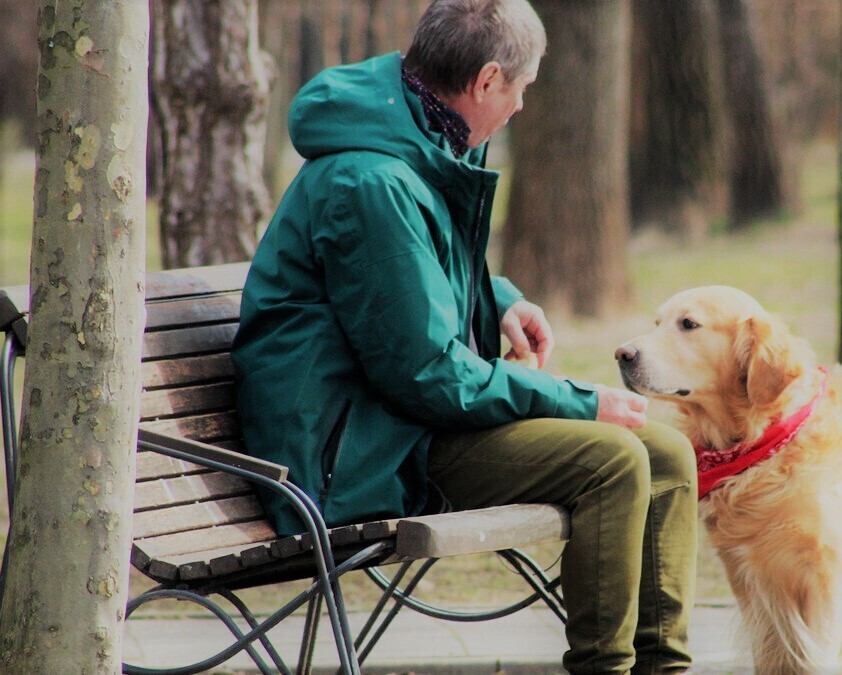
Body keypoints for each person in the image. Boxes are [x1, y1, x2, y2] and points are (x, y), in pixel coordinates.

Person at [230, 1, 697, 672]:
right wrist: (575, 399)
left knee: (669, 453)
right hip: (351, 454)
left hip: (394, 421)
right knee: (612, 459)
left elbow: (407, 282)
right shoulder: (371, 181)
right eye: (522, 88)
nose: (521, 108)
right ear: (485, 82)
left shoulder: (412, 137)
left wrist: (498, 301)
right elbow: (428, 374)